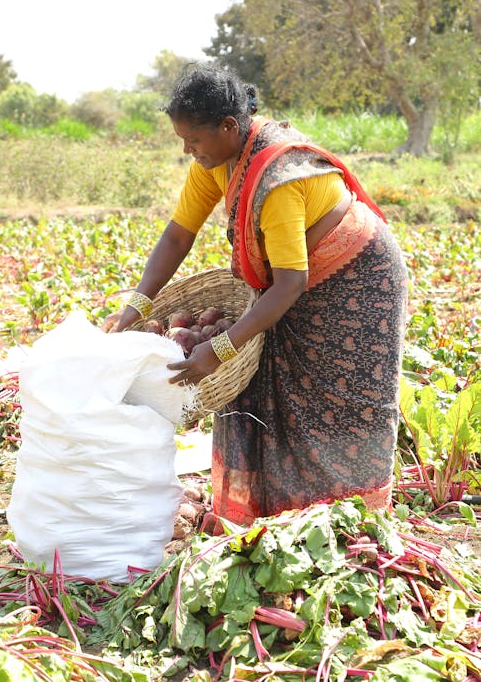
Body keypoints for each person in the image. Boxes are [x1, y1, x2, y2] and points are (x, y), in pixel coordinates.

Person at [104, 62, 408, 526]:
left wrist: (220, 347)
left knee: (340, 402)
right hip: (298, 275)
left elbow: (289, 284)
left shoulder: (278, 178)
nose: (188, 150)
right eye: (182, 140)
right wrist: (137, 305)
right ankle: (266, 514)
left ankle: (347, 516)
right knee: (260, 384)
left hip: (356, 276)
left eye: (194, 139)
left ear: (229, 126)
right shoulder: (218, 160)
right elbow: (176, 237)